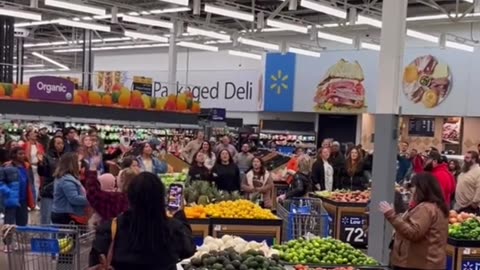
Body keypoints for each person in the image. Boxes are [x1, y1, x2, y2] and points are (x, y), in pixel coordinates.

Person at [88, 172, 196, 270]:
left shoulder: (112, 228)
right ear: (161, 198)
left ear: (130, 197)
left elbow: (95, 260)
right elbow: (188, 249)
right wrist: (179, 213)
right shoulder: (172, 229)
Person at [379, 172, 448, 270]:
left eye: (413, 186)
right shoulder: (436, 207)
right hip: (426, 263)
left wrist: (391, 215)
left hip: (416, 264)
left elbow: (413, 233)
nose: (411, 190)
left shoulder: (425, 208)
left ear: (421, 188)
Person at [0, 148, 35, 233]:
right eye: (20, 154)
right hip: (11, 200)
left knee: (23, 223)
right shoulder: (7, 166)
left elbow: (30, 182)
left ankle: (20, 241)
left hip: (23, 199)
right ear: (14, 155)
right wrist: (8, 192)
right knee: (9, 225)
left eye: (23, 153)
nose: (22, 156)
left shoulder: (26, 166)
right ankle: (7, 244)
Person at [85, 161, 129, 226]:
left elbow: (92, 193)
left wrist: (92, 170)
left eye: (119, 177)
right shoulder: (129, 197)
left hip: (108, 230)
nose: (116, 178)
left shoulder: (111, 197)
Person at [51, 152, 89, 225]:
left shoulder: (69, 178)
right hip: (66, 216)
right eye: (78, 161)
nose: (80, 163)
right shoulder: (67, 180)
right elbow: (74, 198)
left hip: (66, 214)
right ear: (72, 164)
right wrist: (92, 200)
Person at [38, 136, 65, 224]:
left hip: (61, 190)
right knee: (46, 217)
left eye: (62, 143)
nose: (61, 145)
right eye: (58, 143)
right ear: (53, 144)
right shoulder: (46, 156)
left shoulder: (64, 157)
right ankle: (45, 237)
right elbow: (43, 173)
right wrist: (41, 164)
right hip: (49, 189)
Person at [23, 128, 45, 209]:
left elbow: (43, 155)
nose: (34, 135)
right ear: (28, 136)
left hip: (37, 167)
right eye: (32, 134)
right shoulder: (24, 145)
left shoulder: (39, 145)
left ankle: (35, 203)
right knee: (28, 185)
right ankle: (28, 203)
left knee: (37, 185)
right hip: (28, 167)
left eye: (35, 134)